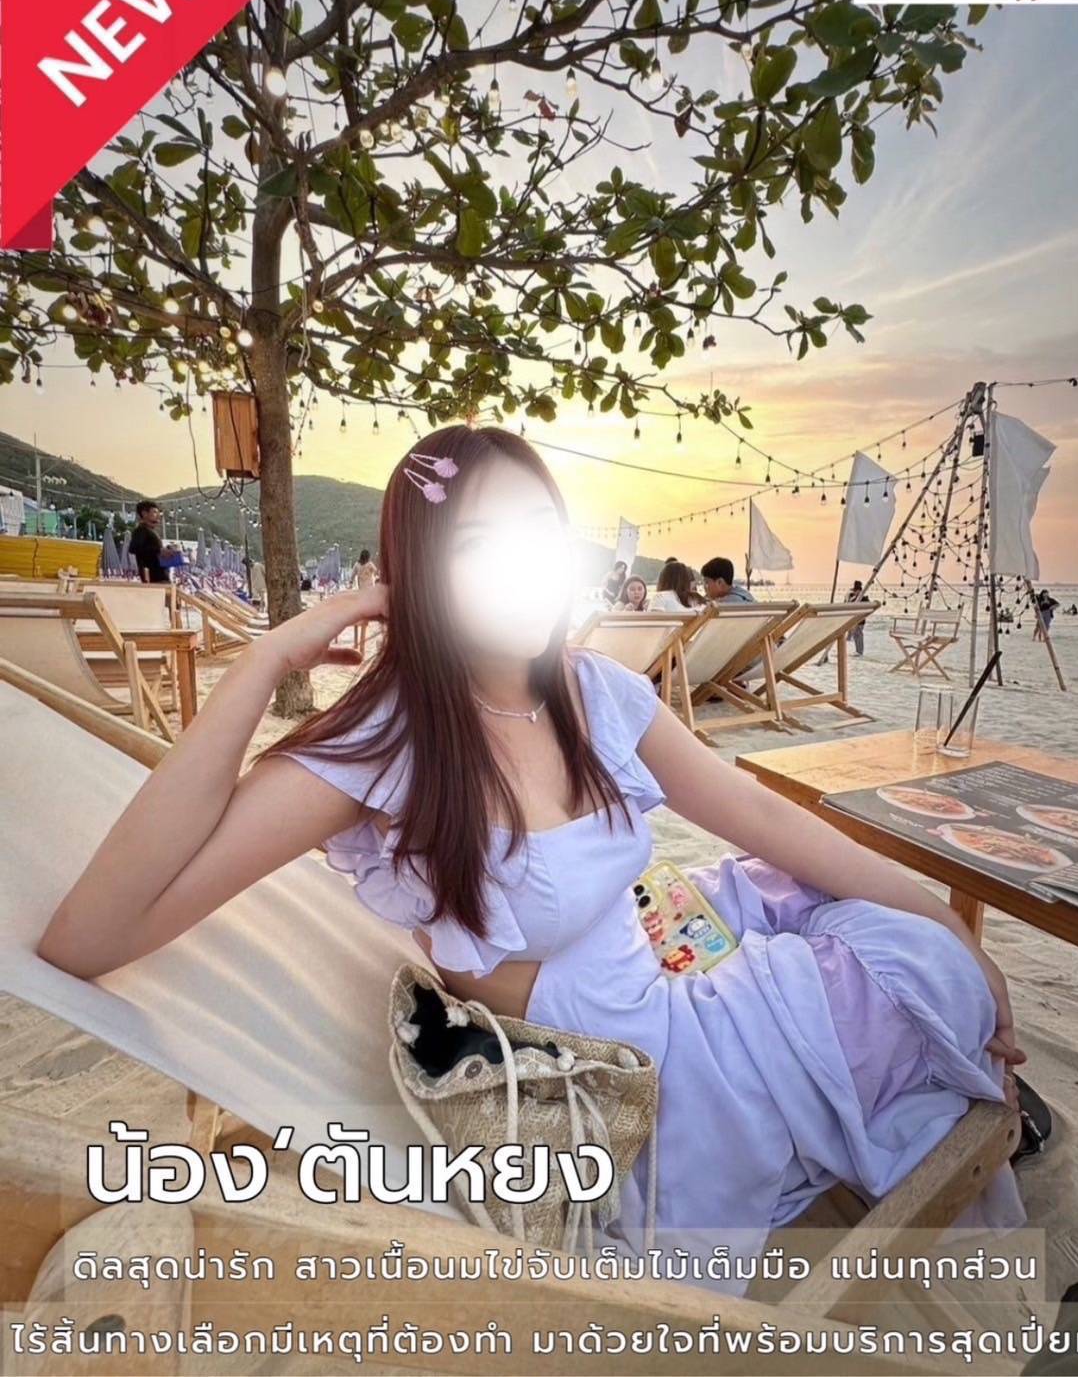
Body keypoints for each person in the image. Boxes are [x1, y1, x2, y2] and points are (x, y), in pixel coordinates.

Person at [37, 426, 1025, 1295]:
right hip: (647, 1068)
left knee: (882, 923)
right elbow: (90, 937)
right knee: (916, 971)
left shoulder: (591, 692)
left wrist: (947, 919)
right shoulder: (388, 744)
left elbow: (766, 818)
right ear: (421, 574)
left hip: (668, 961)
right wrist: (263, 659)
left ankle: (928, 1059)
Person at [128, 500, 169, 585]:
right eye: (154, 512)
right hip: (153, 577)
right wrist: (159, 550)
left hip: (158, 576)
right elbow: (134, 548)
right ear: (144, 514)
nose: (158, 515)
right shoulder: (141, 530)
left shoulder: (149, 531)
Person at [846, 578, 869, 655]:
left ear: (859, 590)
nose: (854, 592)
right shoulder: (854, 598)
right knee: (856, 635)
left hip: (860, 620)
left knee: (858, 635)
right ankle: (858, 651)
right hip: (855, 619)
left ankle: (860, 651)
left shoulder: (863, 598)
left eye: (856, 591)